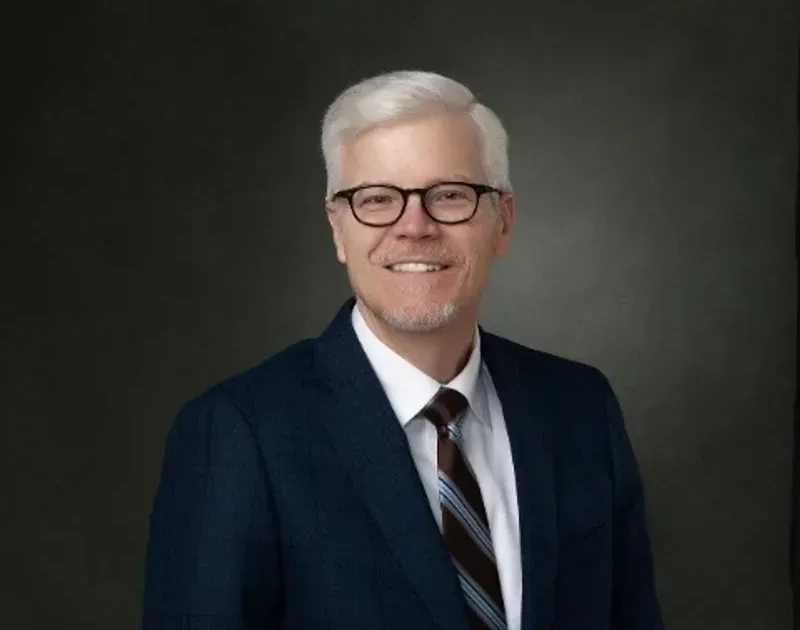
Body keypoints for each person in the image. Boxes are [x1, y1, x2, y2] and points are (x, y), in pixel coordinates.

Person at [142, 70, 663, 630]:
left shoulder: (581, 409)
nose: (415, 227)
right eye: (377, 199)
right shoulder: (239, 433)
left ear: (504, 222)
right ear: (338, 230)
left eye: (451, 195)